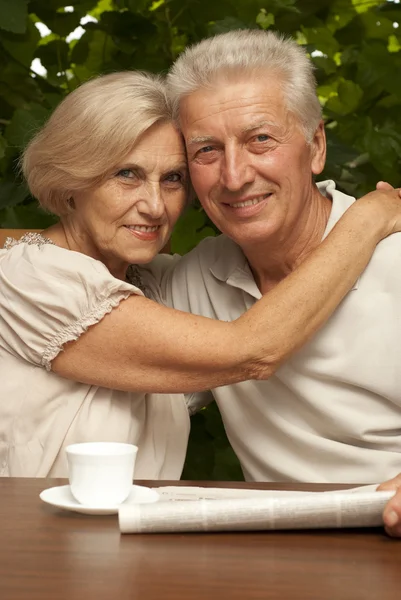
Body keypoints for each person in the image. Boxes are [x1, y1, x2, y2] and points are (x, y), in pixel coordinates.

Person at [1, 70, 401, 483]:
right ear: (71, 182)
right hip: (35, 539)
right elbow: (253, 348)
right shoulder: (31, 277)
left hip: (137, 537)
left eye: (173, 178)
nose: (155, 207)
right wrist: (368, 217)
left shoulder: (157, 284)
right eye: (127, 174)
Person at [143, 30, 401, 524]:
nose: (235, 176)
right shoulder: (198, 278)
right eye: (206, 151)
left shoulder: (395, 259)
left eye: (261, 139)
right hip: (276, 552)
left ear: (317, 145)